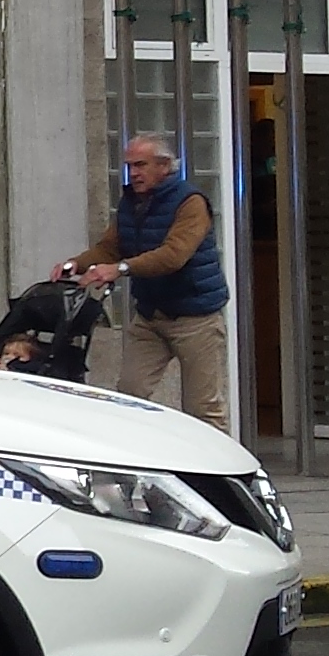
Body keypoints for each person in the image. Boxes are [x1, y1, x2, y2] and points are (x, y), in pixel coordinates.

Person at [65, 129, 227, 431]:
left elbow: (173, 255)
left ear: (164, 166)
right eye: (130, 166)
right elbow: (110, 247)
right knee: (129, 394)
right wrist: (74, 265)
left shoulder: (190, 203)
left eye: (140, 165)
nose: (133, 173)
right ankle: (133, 470)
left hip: (195, 317)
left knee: (203, 409)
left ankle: (218, 476)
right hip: (151, 313)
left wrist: (120, 269)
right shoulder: (131, 203)